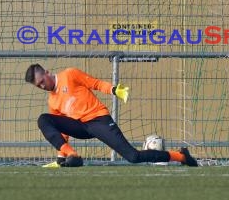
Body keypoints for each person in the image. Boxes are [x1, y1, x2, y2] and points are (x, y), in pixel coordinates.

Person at [25, 64, 198, 167]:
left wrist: (114, 90)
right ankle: (73, 156)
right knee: (44, 119)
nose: (42, 86)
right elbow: (63, 131)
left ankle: (181, 156)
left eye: (42, 82)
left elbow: (95, 84)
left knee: (133, 157)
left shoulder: (69, 74)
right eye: (38, 86)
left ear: (47, 72)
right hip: (80, 127)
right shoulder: (52, 101)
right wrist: (62, 156)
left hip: (98, 120)